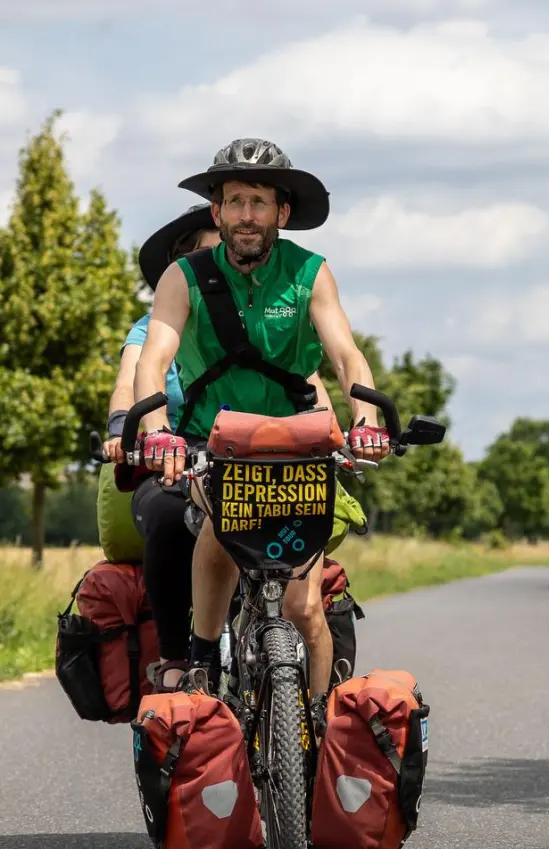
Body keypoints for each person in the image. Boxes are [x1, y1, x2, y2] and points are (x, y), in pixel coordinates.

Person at [130, 138, 390, 708]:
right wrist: (156, 433)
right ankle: (199, 660)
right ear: (217, 212)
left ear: (282, 212)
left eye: (260, 202)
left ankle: (317, 733)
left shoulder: (311, 274)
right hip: (212, 439)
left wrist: (366, 419)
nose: (247, 215)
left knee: (303, 609)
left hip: (296, 442)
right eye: (235, 201)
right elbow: (153, 358)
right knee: (222, 522)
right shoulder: (184, 277)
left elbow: (346, 356)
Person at [103, 203, 339, 690]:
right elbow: (131, 383)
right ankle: (177, 658)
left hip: (269, 460)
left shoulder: (273, 325)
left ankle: (313, 716)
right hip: (179, 459)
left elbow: (308, 384)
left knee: (304, 592)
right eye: (206, 254)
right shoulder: (154, 328)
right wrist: (125, 427)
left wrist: (334, 432)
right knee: (170, 520)